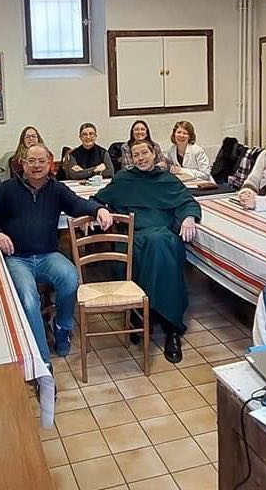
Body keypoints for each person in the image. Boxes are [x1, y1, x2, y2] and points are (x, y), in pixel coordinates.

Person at [0, 144, 114, 366]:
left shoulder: (56, 188)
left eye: (42, 161)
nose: (37, 165)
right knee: (30, 300)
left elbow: (78, 204)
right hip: (17, 258)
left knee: (71, 278)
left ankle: (62, 327)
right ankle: (41, 360)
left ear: (49, 163)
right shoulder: (7, 189)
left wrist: (98, 209)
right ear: (23, 163)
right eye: (32, 161)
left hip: (48, 255)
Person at [93, 139, 200, 363]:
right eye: (136, 155)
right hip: (134, 237)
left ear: (154, 154)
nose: (141, 158)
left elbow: (187, 202)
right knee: (153, 248)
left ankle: (159, 323)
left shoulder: (167, 179)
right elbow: (98, 199)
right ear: (131, 159)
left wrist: (189, 217)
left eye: (145, 153)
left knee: (161, 246)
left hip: (165, 236)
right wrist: (99, 211)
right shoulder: (124, 179)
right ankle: (157, 318)